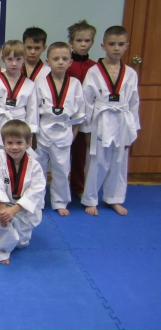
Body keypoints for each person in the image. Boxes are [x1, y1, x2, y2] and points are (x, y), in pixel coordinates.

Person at [81, 26, 140, 216]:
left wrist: (133, 130)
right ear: (103, 46)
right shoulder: (93, 71)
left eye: (120, 44)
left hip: (122, 120)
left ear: (126, 46)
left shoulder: (130, 73)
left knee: (119, 162)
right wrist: (87, 129)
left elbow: (134, 102)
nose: (116, 48)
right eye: (112, 44)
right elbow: (87, 102)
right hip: (101, 120)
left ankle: (114, 198)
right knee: (97, 161)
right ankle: (90, 199)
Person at [35, 42, 85, 216]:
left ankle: (60, 201)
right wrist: (33, 133)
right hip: (43, 129)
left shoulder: (75, 84)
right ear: (47, 61)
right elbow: (33, 110)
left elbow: (79, 111)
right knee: (38, 168)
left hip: (64, 129)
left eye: (64, 59)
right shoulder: (39, 83)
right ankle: (37, 201)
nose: (60, 62)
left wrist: (74, 131)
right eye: (56, 59)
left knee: (62, 169)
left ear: (71, 62)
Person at [0, 120, 46, 264]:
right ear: (3, 143)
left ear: (28, 143)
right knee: (3, 225)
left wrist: (14, 210)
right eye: (9, 143)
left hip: (23, 208)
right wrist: (3, 210)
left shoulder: (35, 165)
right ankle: (1, 252)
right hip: (4, 204)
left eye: (19, 143)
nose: (14, 147)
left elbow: (35, 192)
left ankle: (17, 231)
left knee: (21, 243)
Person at [0, 40, 38, 162]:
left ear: (24, 59)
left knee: (17, 161)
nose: (14, 63)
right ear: (3, 59)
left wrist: (30, 136)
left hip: (20, 126)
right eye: (10, 59)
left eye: (18, 59)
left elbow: (32, 112)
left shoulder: (30, 85)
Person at [67, 20, 97, 198]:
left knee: (80, 155)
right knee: (61, 156)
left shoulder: (95, 68)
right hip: (65, 117)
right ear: (71, 42)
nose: (83, 44)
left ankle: (78, 187)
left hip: (85, 117)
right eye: (79, 40)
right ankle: (61, 187)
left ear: (92, 42)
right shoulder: (65, 64)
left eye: (87, 40)